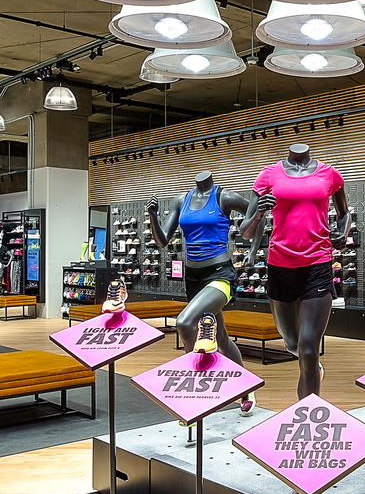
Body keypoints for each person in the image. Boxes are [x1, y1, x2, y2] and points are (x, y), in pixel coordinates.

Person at [242, 143, 351, 399]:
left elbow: (344, 214)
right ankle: (312, 367)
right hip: (280, 266)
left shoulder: (330, 174)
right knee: (292, 343)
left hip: (318, 264)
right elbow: (245, 232)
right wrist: (259, 214)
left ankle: (308, 412)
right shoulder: (268, 175)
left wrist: (343, 233)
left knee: (309, 348)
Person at [149, 171, 256, 413]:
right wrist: (153, 217)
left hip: (220, 275)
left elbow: (256, 216)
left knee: (185, 323)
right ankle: (247, 388)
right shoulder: (180, 200)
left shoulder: (225, 197)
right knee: (221, 337)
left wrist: (253, 249)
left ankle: (194, 387)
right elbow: (162, 241)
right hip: (193, 278)